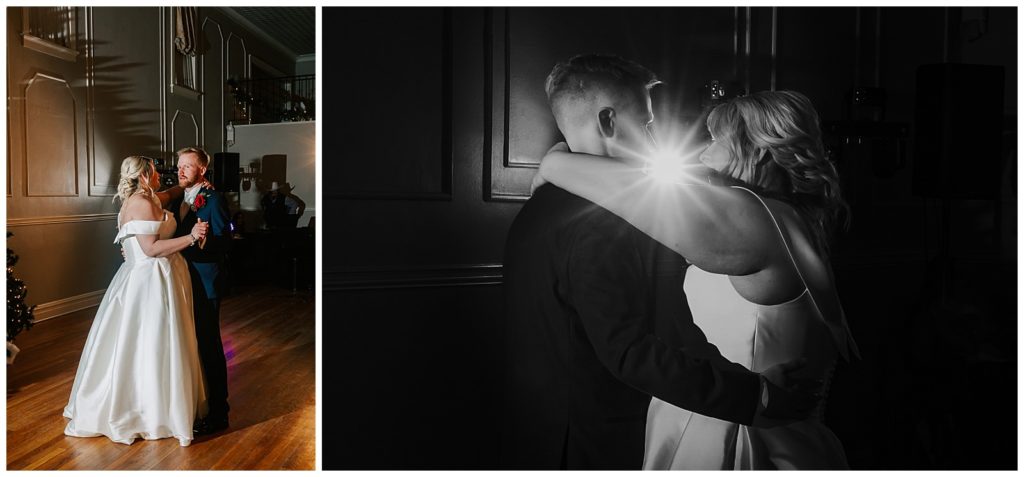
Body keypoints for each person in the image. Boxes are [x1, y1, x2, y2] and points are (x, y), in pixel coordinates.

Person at [500, 54, 822, 470]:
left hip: (535, 433)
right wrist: (755, 395)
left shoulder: (535, 208)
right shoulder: (601, 221)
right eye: (647, 124)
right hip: (592, 442)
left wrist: (553, 160)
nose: (654, 141)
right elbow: (629, 351)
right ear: (609, 122)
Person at [64, 156, 209, 446]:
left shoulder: (152, 197)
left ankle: (163, 402)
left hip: (161, 279)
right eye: (155, 172)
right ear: (144, 176)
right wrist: (191, 237)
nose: (161, 176)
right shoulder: (141, 203)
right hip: (149, 284)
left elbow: (172, 193)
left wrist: (195, 184)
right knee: (149, 341)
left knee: (161, 342)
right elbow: (151, 248)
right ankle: (145, 411)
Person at [172, 147, 232, 435]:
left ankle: (220, 411)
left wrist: (205, 240)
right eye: (179, 165)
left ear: (202, 171)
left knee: (209, 344)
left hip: (204, 282)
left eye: (187, 166)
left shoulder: (214, 198)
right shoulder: (173, 197)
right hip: (174, 281)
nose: (181, 170)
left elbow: (226, 243)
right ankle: (190, 404)